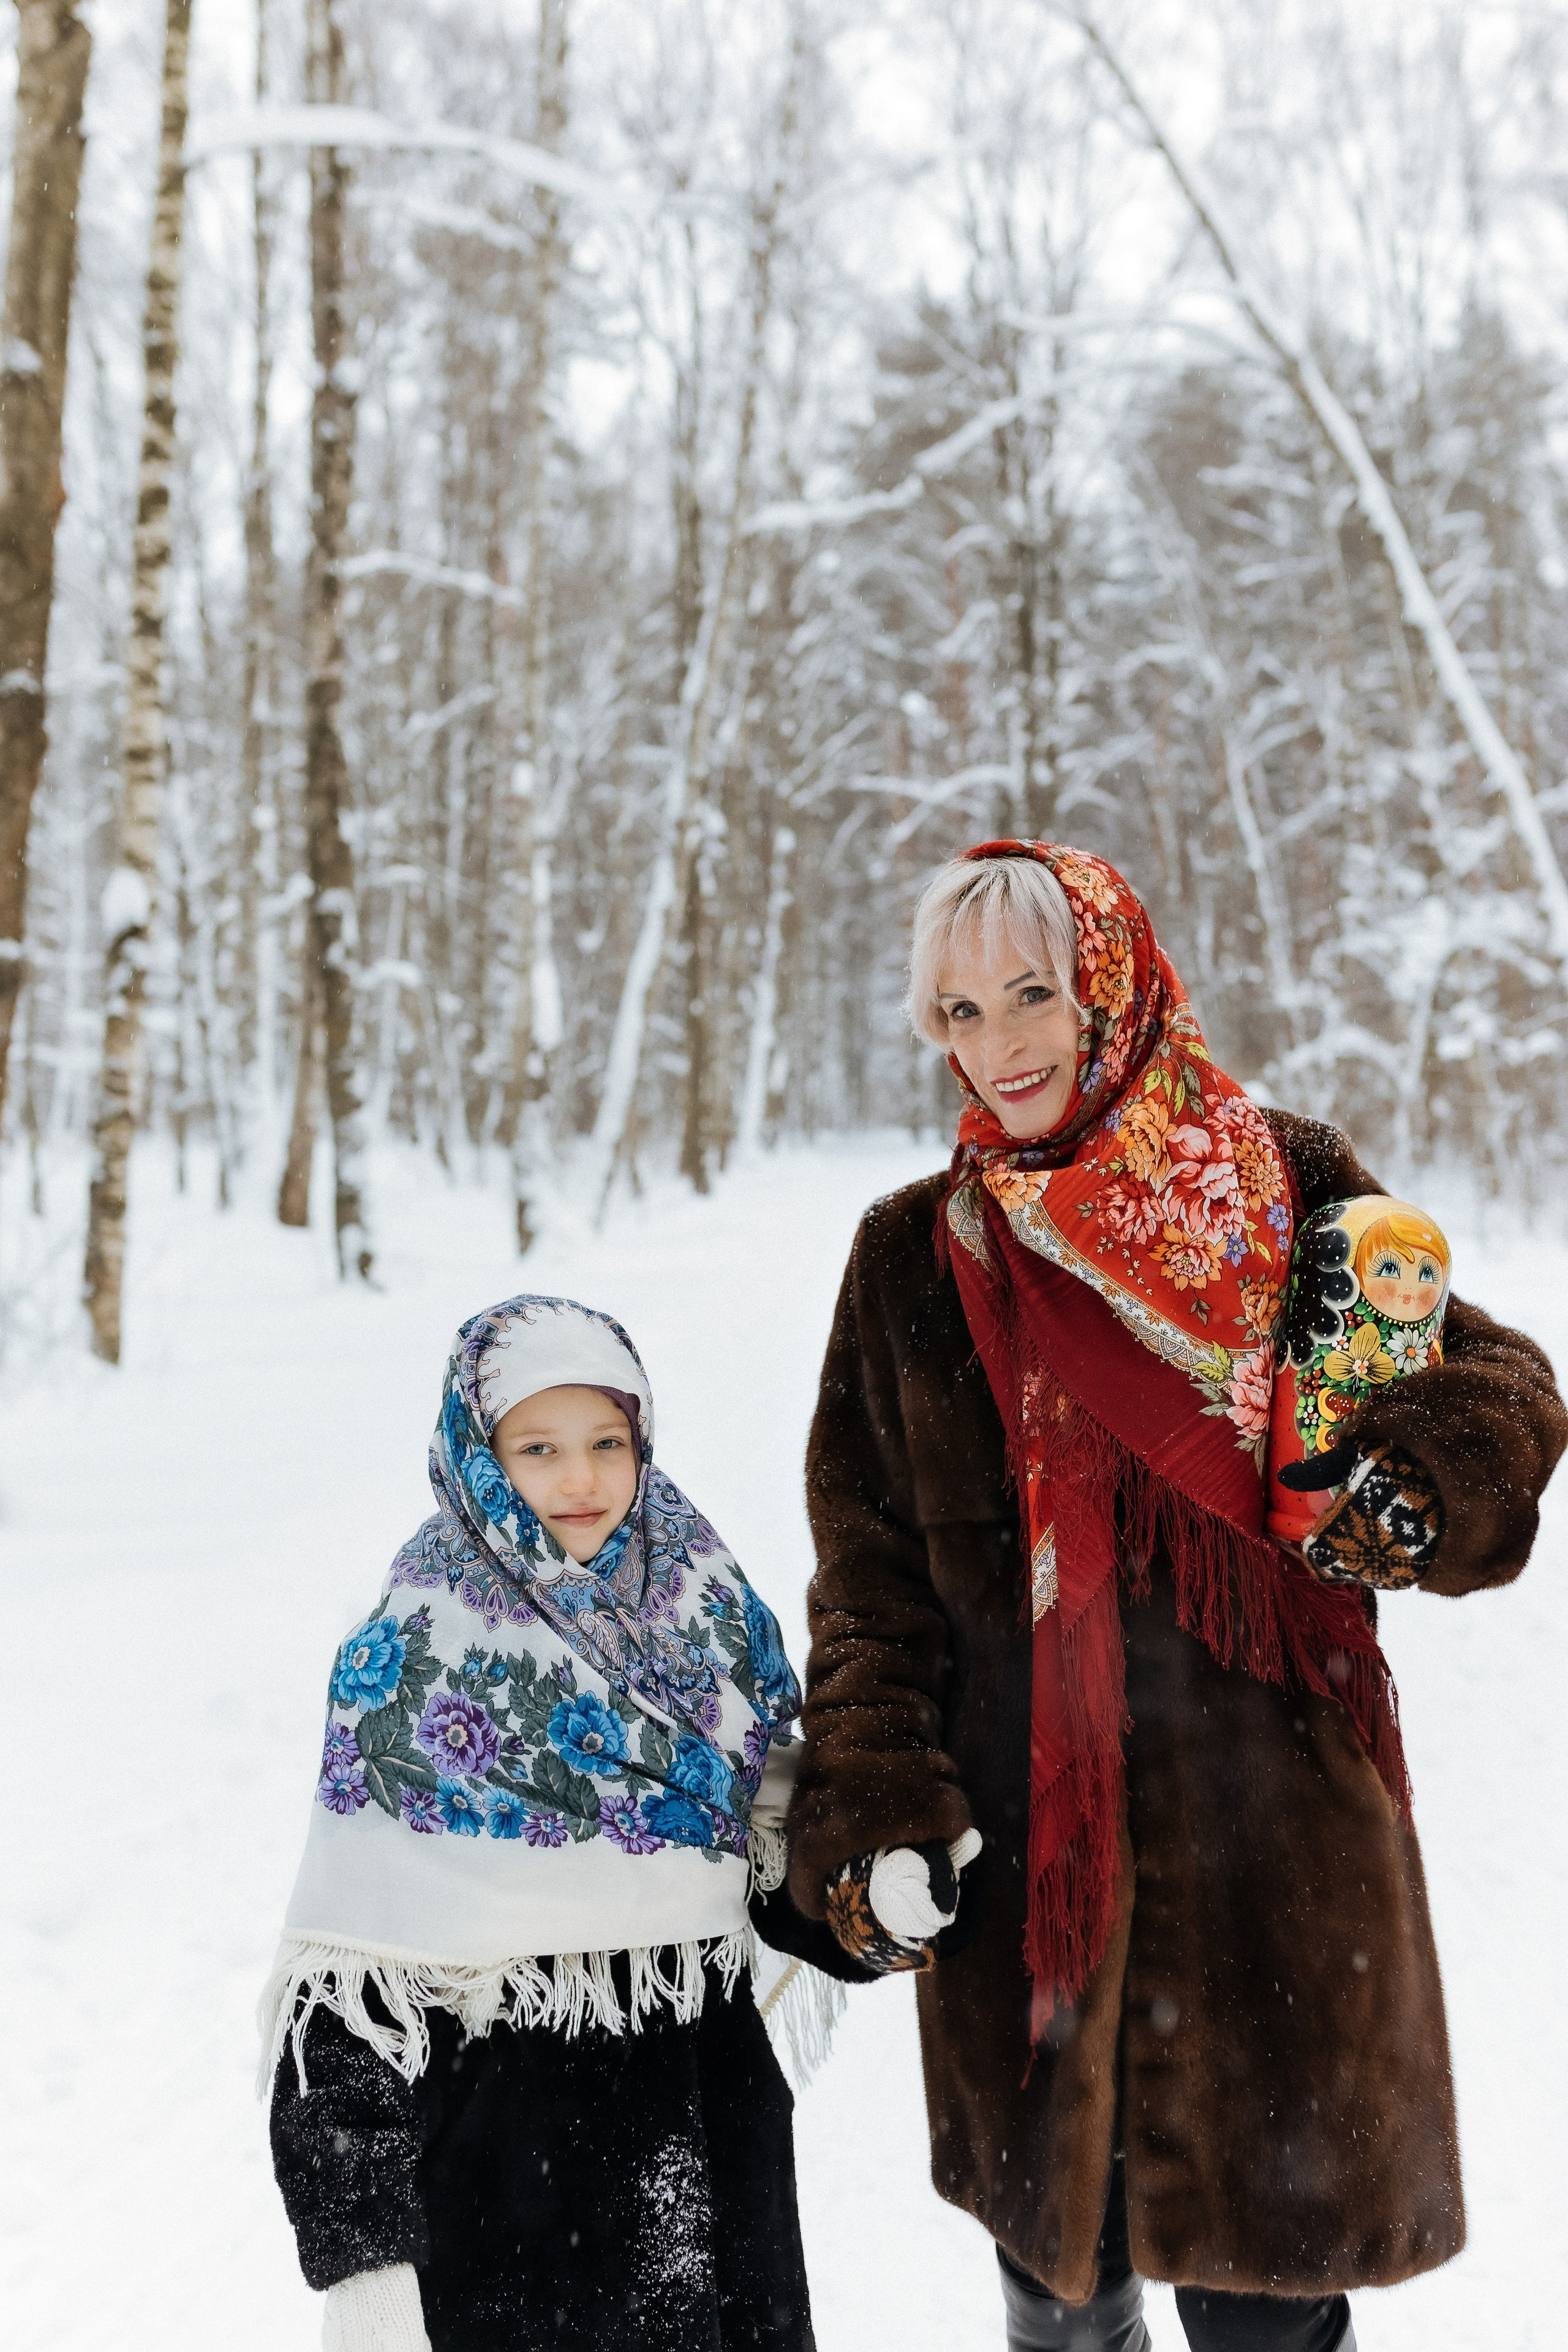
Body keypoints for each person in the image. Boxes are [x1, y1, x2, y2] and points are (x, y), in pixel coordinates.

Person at [785, 841, 1566, 2352]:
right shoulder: (906, 1259)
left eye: (1031, 993)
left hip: (1274, 1866)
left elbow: (1503, 1384)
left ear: (1113, 981)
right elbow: (866, 1580)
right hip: (1031, 1880)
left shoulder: (1278, 1189)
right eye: (956, 1011)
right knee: (1061, 2314)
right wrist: (874, 1802)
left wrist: (1411, 1478)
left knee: (1270, 2321)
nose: (998, 1045)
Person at [262, 1292, 830, 2352]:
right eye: (538, 1447)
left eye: (608, 1441)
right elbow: (346, 1995)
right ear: (478, 1458)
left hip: (715, 2160)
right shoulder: (418, 1658)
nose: (581, 1479)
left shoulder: (703, 1611)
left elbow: (769, 1878)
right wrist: (364, 2258)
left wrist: (863, 1892)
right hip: (510, 2196)